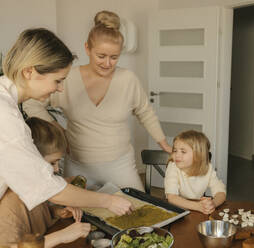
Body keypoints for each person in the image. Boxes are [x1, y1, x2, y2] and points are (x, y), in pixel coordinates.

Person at [0, 28, 133, 244]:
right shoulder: (5, 117)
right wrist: (108, 201)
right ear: (29, 72)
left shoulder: (7, 105)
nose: (60, 89)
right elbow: (46, 187)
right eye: (57, 80)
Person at [23, 10, 172, 191]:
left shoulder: (128, 79)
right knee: (78, 215)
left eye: (114, 57)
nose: (107, 63)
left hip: (121, 165)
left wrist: (163, 144)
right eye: (101, 56)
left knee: (139, 212)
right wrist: (56, 129)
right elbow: (31, 103)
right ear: (87, 48)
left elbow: (145, 112)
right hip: (78, 165)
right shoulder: (68, 79)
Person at [0, 117, 89, 246]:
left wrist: (56, 212)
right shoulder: (9, 206)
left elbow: (37, 215)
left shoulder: (33, 185)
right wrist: (61, 236)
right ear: (32, 161)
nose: (57, 168)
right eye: (52, 163)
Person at [164, 130, 226, 214]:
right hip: (176, 210)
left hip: (196, 209)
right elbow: (172, 197)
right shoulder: (173, 167)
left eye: (183, 151)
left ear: (198, 155)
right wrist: (198, 206)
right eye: (175, 150)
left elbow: (220, 191)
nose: (177, 155)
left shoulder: (207, 168)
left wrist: (213, 204)